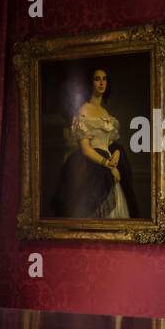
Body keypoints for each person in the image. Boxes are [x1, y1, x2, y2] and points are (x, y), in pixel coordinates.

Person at [50, 68, 140, 219]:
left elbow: (109, 144)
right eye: (97, 79)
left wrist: (116, 152)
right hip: (92, 168)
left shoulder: (105, 113)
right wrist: (109, 166)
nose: (101, 82)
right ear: (90, 83)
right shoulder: (83, 111)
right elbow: (86, 149)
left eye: (104, 79)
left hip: (109, 166)